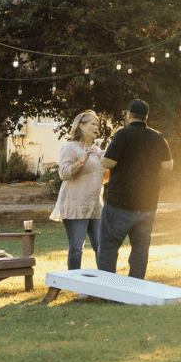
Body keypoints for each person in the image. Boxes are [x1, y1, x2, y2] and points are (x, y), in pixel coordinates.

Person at [98, 99, 173, 278]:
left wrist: (103, 158)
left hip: (119, 202)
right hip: (148, 203)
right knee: (140, 249)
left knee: (109, 246)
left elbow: (108, 162)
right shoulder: (157, 136)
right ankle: (136, 285)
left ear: (129, 115)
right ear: (146, 116)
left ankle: (107, 286)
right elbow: (168, 166)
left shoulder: (123, 134)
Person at [50, 110, 105, 270]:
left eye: (97, 125)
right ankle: (73, 283)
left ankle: (104, 283)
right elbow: (64, 173)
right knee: (76, 248)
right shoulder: (70, 148)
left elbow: (102, 175)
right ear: (81, 126)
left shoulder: (96, 149)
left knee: (101, 247)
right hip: (75, 205)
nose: (96, 128)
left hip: (95, 206)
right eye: (93, 124)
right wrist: (82, 161)